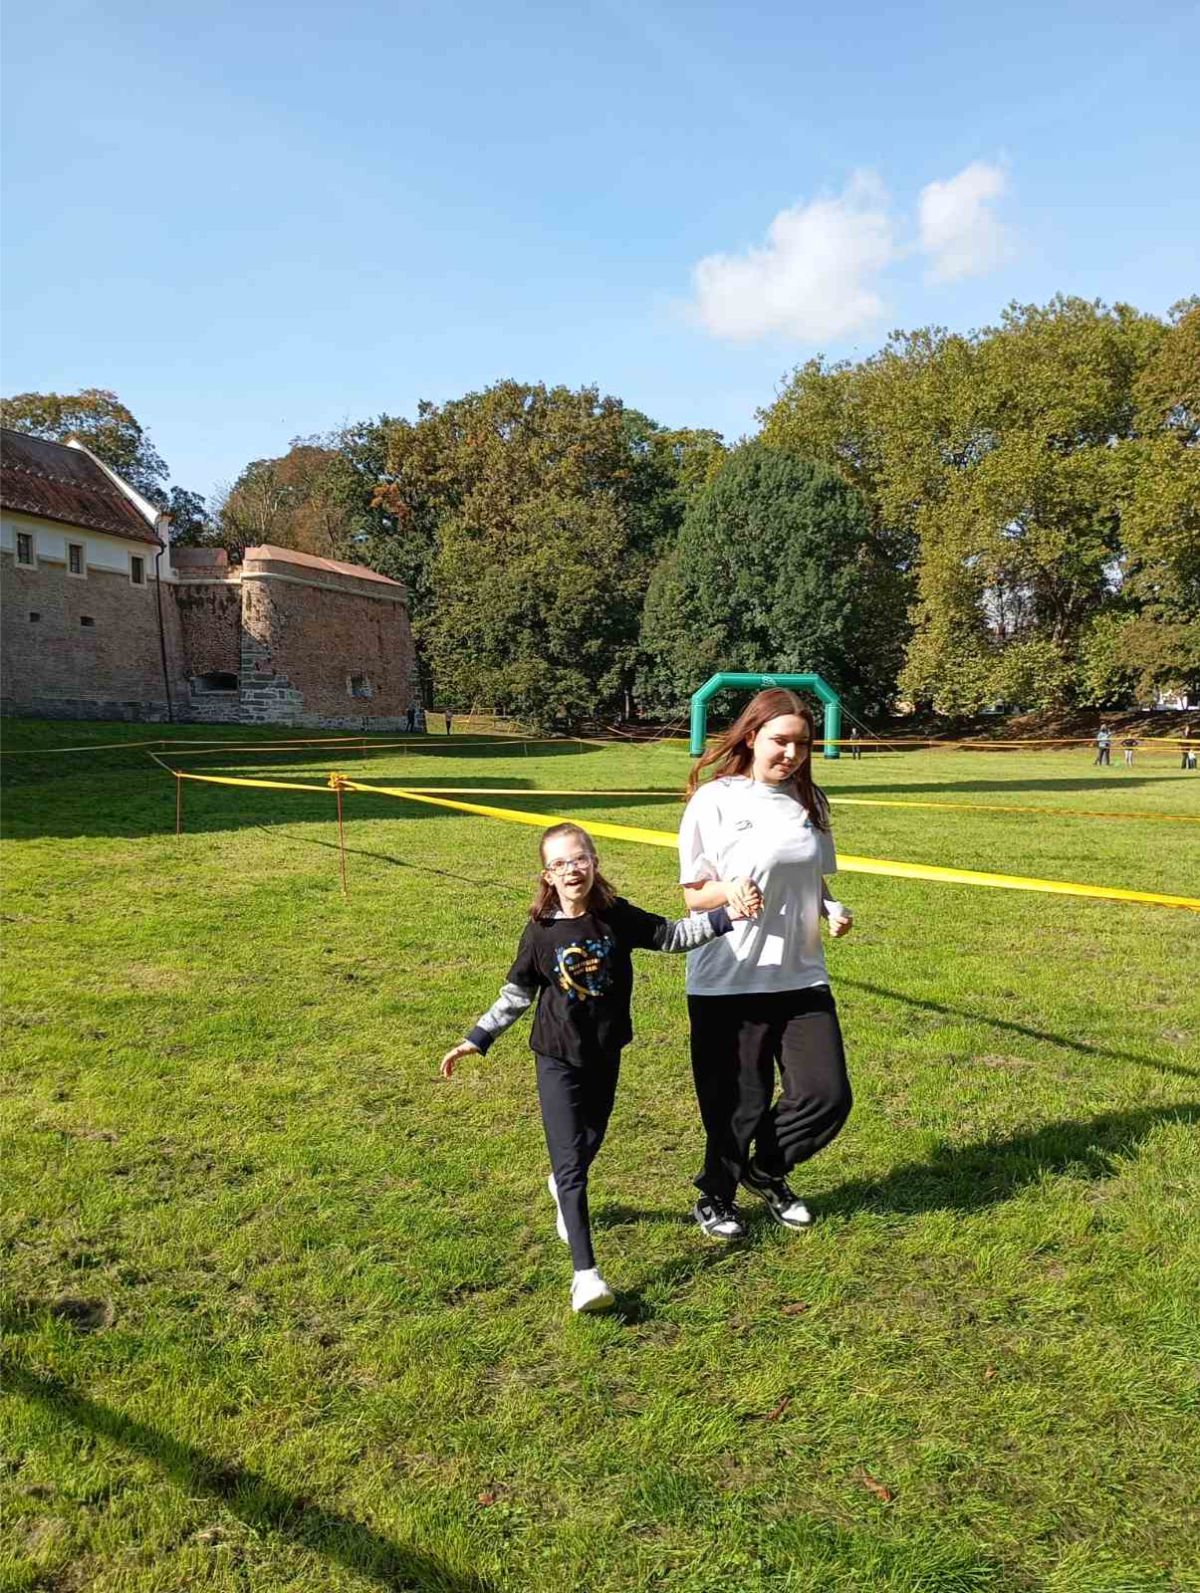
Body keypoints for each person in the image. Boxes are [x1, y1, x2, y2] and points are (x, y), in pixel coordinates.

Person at [439, 822, 749, 1313]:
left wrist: (728, 914)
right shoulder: (540, 932)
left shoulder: (615, 916)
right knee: (571, 1165)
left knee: (589, 1140)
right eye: (560, 863)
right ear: (547, 875)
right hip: (556, 1057)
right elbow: (517, 994)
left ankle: (562, 1183)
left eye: (579, 858)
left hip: (605, 1052)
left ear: (594, 862)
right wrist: (477, 1038)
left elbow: (672, 935)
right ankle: (585, 1276)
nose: (571, 870)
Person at [678, 688, 853, 1242]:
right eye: (781, 741)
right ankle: (716, 1196)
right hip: (729, 978)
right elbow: (694, 893)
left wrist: (830, 907)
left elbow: (811, 877)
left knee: (826, 1096)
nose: (792, 754)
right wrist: (729, 890)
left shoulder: (810, 802)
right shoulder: (715, 800)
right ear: (752, 736)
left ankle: (766, 1170)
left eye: (802, 744)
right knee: (739, 1102)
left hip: (801, 975)